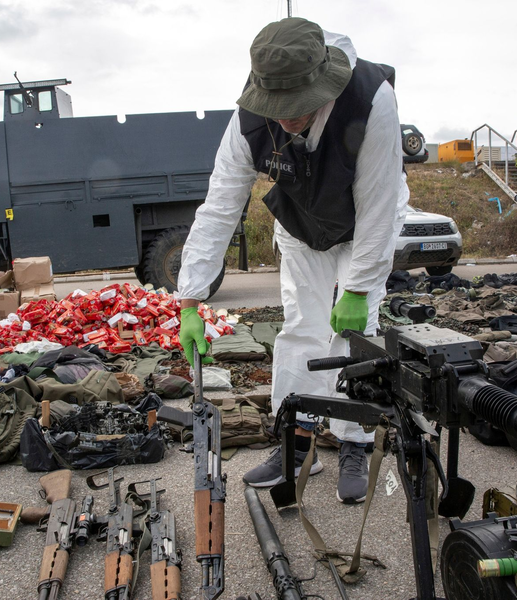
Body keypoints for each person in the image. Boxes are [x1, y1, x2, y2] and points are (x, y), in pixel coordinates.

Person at [177, 17, 410, 503]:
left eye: (296, 108)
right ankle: (296, 443)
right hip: (302, 225)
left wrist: (360, 288)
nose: (285, 119)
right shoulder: (245, 120)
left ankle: (354, 442)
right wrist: (191, 300)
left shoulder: (372, 99)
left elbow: (378, 205)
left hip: (363, 223)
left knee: (355, 333)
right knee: (301, 327)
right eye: (276, 109)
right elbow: (220, 205)